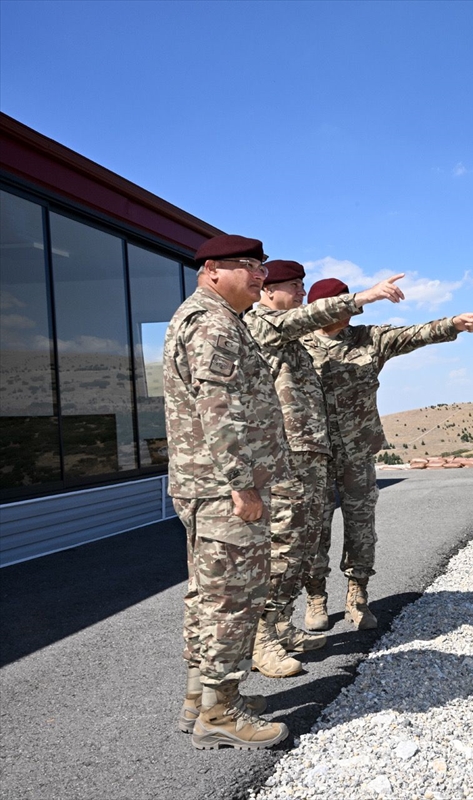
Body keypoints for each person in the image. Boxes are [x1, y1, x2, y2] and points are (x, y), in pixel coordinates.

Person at [242, 260, 404, 677]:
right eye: (293, 286)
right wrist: (363, 296)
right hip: (288, 456)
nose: (300, 291)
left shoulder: (292, 332)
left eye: (301, 285)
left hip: (313, 454)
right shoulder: (264, 325)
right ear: (267, 291)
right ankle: (265, 635)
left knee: (305, 539)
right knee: (286, 545)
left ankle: (281, 626)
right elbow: (308, 316)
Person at [300, 277, 473, 630]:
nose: (351, 309)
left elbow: (413, 335)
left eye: (350, 302)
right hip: (313, 454)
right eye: (340, 303)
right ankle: (315, 596)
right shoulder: (297, 344)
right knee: (313, 529)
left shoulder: (368, 338)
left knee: (361, 526)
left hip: (358, 451)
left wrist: (453, 324)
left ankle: (357, 594)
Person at [164, 234, 287, 749]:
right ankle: (221, 714)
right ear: (211, 270)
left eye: (261, 267)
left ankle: (200, 699)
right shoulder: (213, 324)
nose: (260, 274)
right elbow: (219, 411)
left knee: (210, 597)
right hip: (223, 489)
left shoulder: (211, 318)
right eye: (248, 266)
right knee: (234, 600)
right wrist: (242, 486)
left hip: (207, 486)